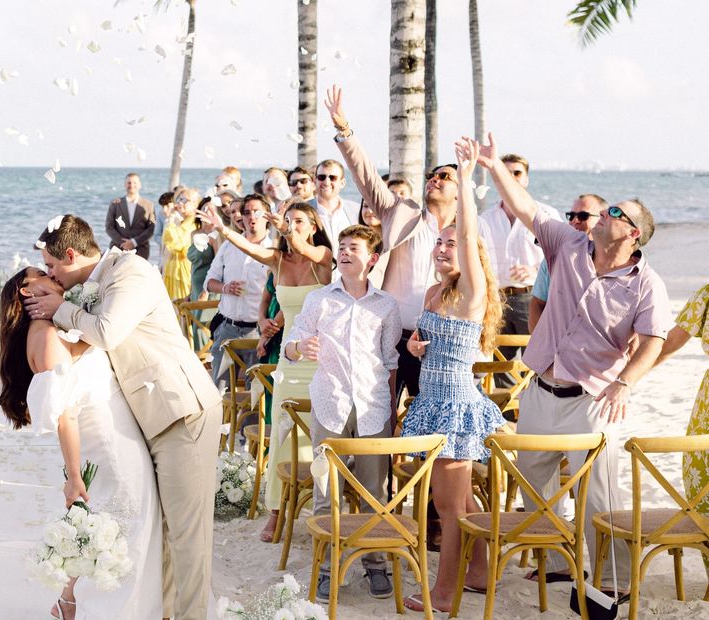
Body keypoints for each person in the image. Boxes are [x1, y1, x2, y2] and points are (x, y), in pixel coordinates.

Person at [479, 132, 671, 600]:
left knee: (600, 499)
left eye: (615, 213)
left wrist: (625, 383)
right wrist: (494, 167)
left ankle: (613, 582)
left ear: (633, 233)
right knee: (536, 488)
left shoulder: (647, 285)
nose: (602, 215)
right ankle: (563, 566)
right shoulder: (567, 244)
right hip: (541, 389)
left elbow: (652, 341)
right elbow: (526, 208)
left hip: (593, 401)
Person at [23, 214, 222, 619]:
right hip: (150, 416)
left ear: (73, 255)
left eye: (53, 266)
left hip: (181, 410)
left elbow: (108, 332)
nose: (51, 274)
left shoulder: (131, 271)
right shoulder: (88, 285)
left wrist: (60, 307)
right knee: (164, 533)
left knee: (188, 535)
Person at [0, 267, 163, 619]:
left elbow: (87, 345)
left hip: (112, 435)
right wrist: (74, 477)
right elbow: (65, 415)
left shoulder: (50, 330)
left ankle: (69, 601)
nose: (50, 273)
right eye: (40, 273)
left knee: (118, 521)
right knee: (126, 522)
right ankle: (104, 608)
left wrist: (96, 318)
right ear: (26, 293)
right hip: (105, 443)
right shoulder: (43, 335)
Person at [396, 140, 506, 613]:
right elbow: (420, 342)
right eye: (438, 243)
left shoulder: (471, 294)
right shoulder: (433, 295)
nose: (443, 248)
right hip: (429, 399)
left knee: (448, 507)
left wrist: (463, 177)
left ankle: (445, 592)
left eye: (451, 243)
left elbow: (465, 235)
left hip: (456, 406)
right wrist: (416, 347)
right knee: (456, 503)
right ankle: (479, 573)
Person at [199, 200, 333, 541]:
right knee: (282, 435)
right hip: (290, 362)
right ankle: (276, 512)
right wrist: (222, 227)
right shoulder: (278, 260)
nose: (291, 226)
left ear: (314, 227)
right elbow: (246, 245)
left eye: (299, 221)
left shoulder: (323, 260)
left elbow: (305, 247)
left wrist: (286, 229)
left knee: (320, 440)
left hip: (322, 361)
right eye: (287, 220)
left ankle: (323, 509)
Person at [286, 224, 402, 603]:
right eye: (342, 246)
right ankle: (326, 568)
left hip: (374, 408)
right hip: (330, 403)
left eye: (354, 247)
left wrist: (392, 414)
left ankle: (375, 565)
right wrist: (300, 346)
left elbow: (390, 362)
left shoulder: (386, 305)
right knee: (325, 490)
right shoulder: (319, 299)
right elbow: (290, 344)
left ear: (372, 258)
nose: (345, 252)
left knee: (374, 491)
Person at [326, 84, 458, 402]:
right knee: (381, 413)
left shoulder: (465, 235)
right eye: (432, 175)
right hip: (391, 334)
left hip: (439, 338)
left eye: (444, 177)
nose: (434, 179)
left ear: (460, 190)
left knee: (431, 420)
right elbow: (366, 176)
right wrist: (345, 130)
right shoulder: (403, 213)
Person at [477, 153, 559, 378]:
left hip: (533, 296)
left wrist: (534, 271)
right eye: (506, 172)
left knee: (537, 360)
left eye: (517, 173)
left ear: (526, 179)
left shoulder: (546, 214)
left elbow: (563, 257)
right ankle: (508, 412)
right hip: (496, 299)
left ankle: (533, 408)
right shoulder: (486, 218)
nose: (511, 177)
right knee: (496, 365)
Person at [654, 281, 709, 575]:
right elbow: (671, 342)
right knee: (702, 484)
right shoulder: (707, 293)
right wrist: (628, 376)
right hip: (708, 408)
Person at [205, 195, 272, 384]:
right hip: (227, 328)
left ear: (267, 215)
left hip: (257, 332)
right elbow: (209, 281)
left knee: (254, 399)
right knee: (219, 391)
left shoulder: (274, 249)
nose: (252, 217)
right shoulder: (228, 245)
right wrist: (225, 287)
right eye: (246, 212)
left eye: (257, 212)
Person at [528, 194, 605, 332]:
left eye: (583, 216)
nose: (575, 221)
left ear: (602, 220)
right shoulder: (551, 260)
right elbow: (537, 304)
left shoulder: (616, 263)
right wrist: (539, 341)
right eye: (571, 216)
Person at [104, 172, 157, 259]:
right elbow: (109, 227)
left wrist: (134, 242)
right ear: (125, 185)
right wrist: (124, 243)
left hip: (141, 250)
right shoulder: (115, 204)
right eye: (129, 183)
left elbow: (151, 228)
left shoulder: (148, 205)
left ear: (139, 185)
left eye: (134, 183)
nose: (132, 185)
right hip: (118, 248)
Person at [161, 187, 201, 301]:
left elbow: (175, 243)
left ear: (195, 204)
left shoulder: (193, 223)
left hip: (183, 271)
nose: (180, 203)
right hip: (173, 268)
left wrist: (171, 220)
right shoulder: (183, 221)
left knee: (179, 307)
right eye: (179, 199)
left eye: (185, 200)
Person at [310, 159, 359, 246]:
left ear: (342, 183)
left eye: (333, 178)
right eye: (322, 177)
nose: (326, 182)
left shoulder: (356, 210)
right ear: (315, 181)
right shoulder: (303, 210)